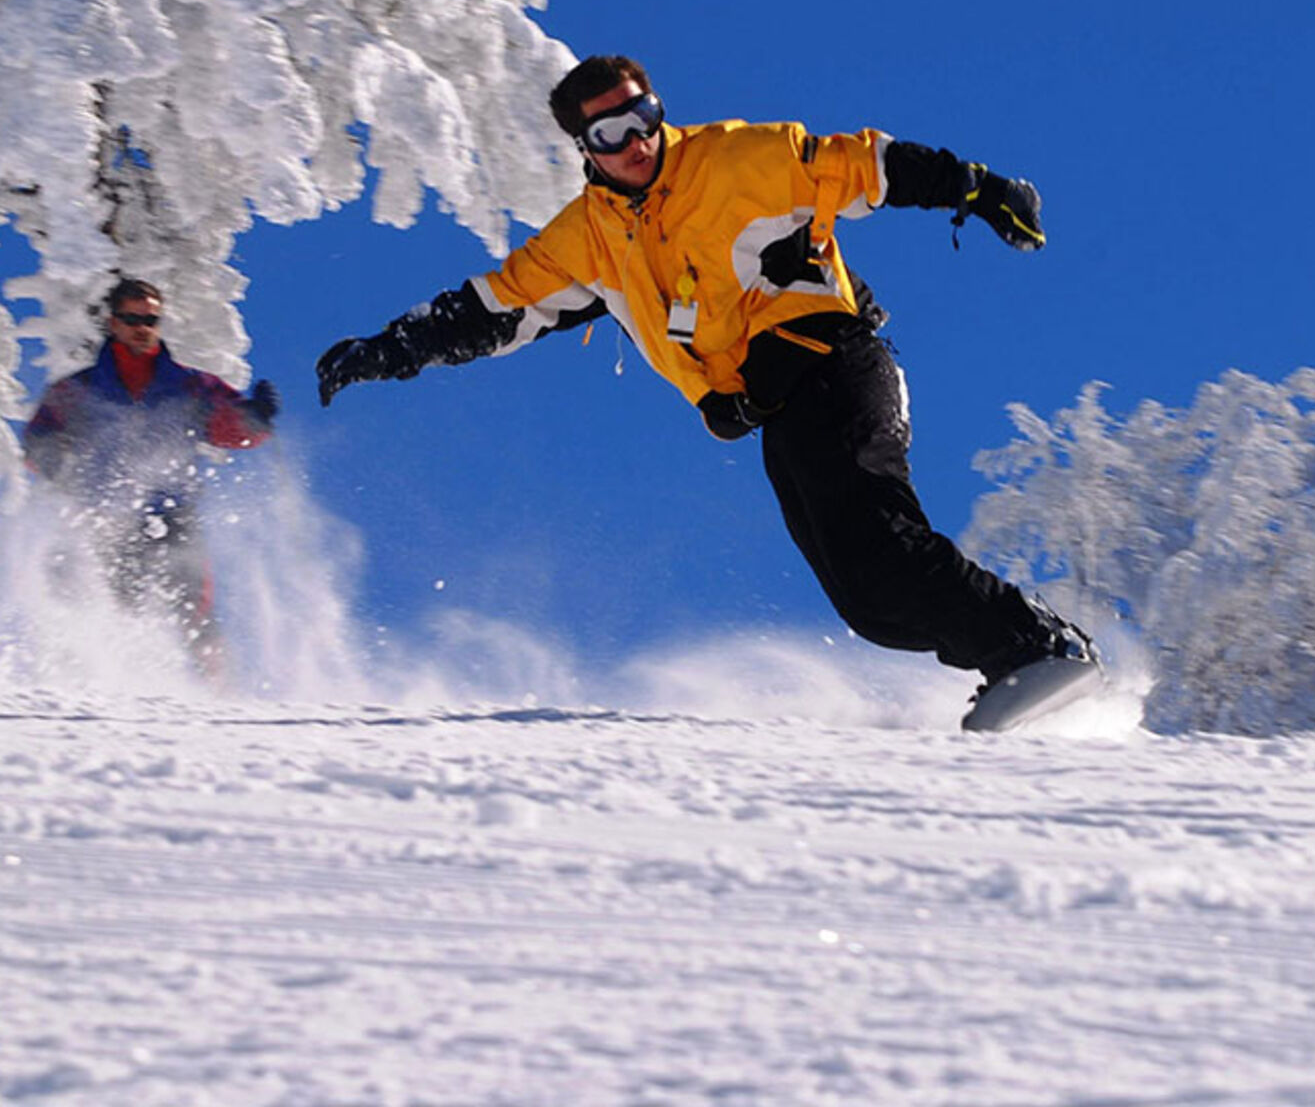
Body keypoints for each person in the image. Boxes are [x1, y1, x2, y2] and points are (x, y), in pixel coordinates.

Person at [315, 55, 1098, 717]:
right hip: (774, 408)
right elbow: (495, 308)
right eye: (610, 134)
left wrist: (980, 190)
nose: (637, 142)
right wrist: (387, 350)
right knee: (867, 603)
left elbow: (865, 165)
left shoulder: (734, 160)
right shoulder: (588, 241)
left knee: (879, 544)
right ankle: (1020, 658)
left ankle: (1034, 645)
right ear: (583, 146)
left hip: (835, 363)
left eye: (643, 116)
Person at [23, 278, 280, 681]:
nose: (143, 326)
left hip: (171, 514)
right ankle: (88, 689)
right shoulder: (79, 389)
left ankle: (221, 696)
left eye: (151, 319)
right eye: (132, 318)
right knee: (103, 603)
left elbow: (230, 427)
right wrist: (51, 455)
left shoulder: (188, 386)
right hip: (106, 516)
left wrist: (257, 418)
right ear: (113, 323)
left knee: (194, 607)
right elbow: (39, 440)